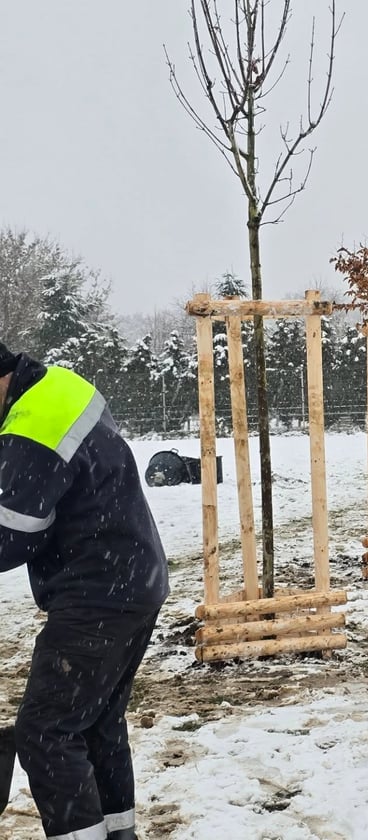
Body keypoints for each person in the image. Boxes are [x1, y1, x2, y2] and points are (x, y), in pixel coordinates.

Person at [0, 341, 169, 840]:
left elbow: (12, 532)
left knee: (45, 731)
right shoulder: (58, 387)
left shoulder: (33, 423)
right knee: (94, 724)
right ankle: (120, 832)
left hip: (100, 591)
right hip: (132, 577)